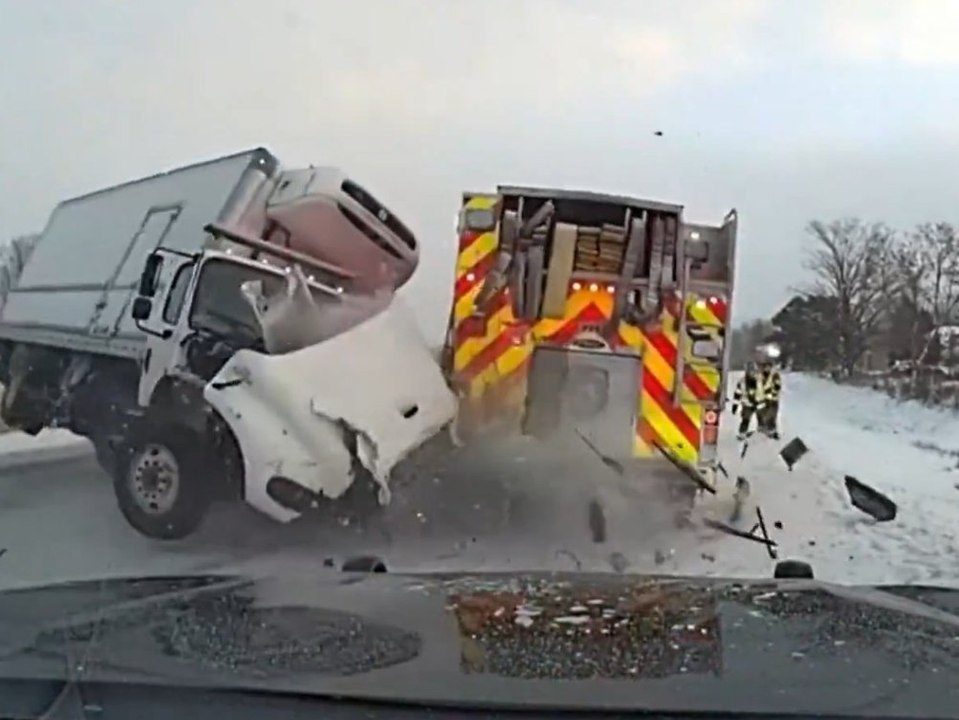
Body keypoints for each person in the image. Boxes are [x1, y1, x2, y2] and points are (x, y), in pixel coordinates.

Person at [731, 362, 764, 440]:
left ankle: (762, 432)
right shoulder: (742, 382)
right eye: (750, 371)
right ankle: (742, 433)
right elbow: (737, 394)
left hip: (759, 404)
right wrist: (735, 406)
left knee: (762, 418)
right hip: (747, 404)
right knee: (745, 419)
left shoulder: (760, 380)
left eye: (753, 371)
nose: (752, 373)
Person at [757, 357, 782, 439]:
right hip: (762, 400)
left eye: (768, 366)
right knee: (761, 415)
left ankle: (772, 431)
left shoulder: (775, 375)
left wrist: (770, 393)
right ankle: (761, 429)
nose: (766, 368)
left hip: (772, 401)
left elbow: (777, 387)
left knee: (771, 416)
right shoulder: (759, 376)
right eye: (765, 366)